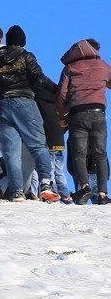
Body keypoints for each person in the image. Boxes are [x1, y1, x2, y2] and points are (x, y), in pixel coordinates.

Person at [0, 24, 61, 203]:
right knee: (38, 145)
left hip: (1, 105)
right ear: (23, 42)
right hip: (24, 102)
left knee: (10, 151)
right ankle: (45, 184)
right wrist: (57, 90)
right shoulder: (25, 56)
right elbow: (39, 79)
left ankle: (17, 191)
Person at [57, 38, 111, 205]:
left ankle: (84, 187)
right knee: (100, 154)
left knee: (79, 154)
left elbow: (62, 94)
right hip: (97, 112)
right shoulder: (103, 66)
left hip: (76, 114)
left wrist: (61, 115)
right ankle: (102, 194)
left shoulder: (70, 67)